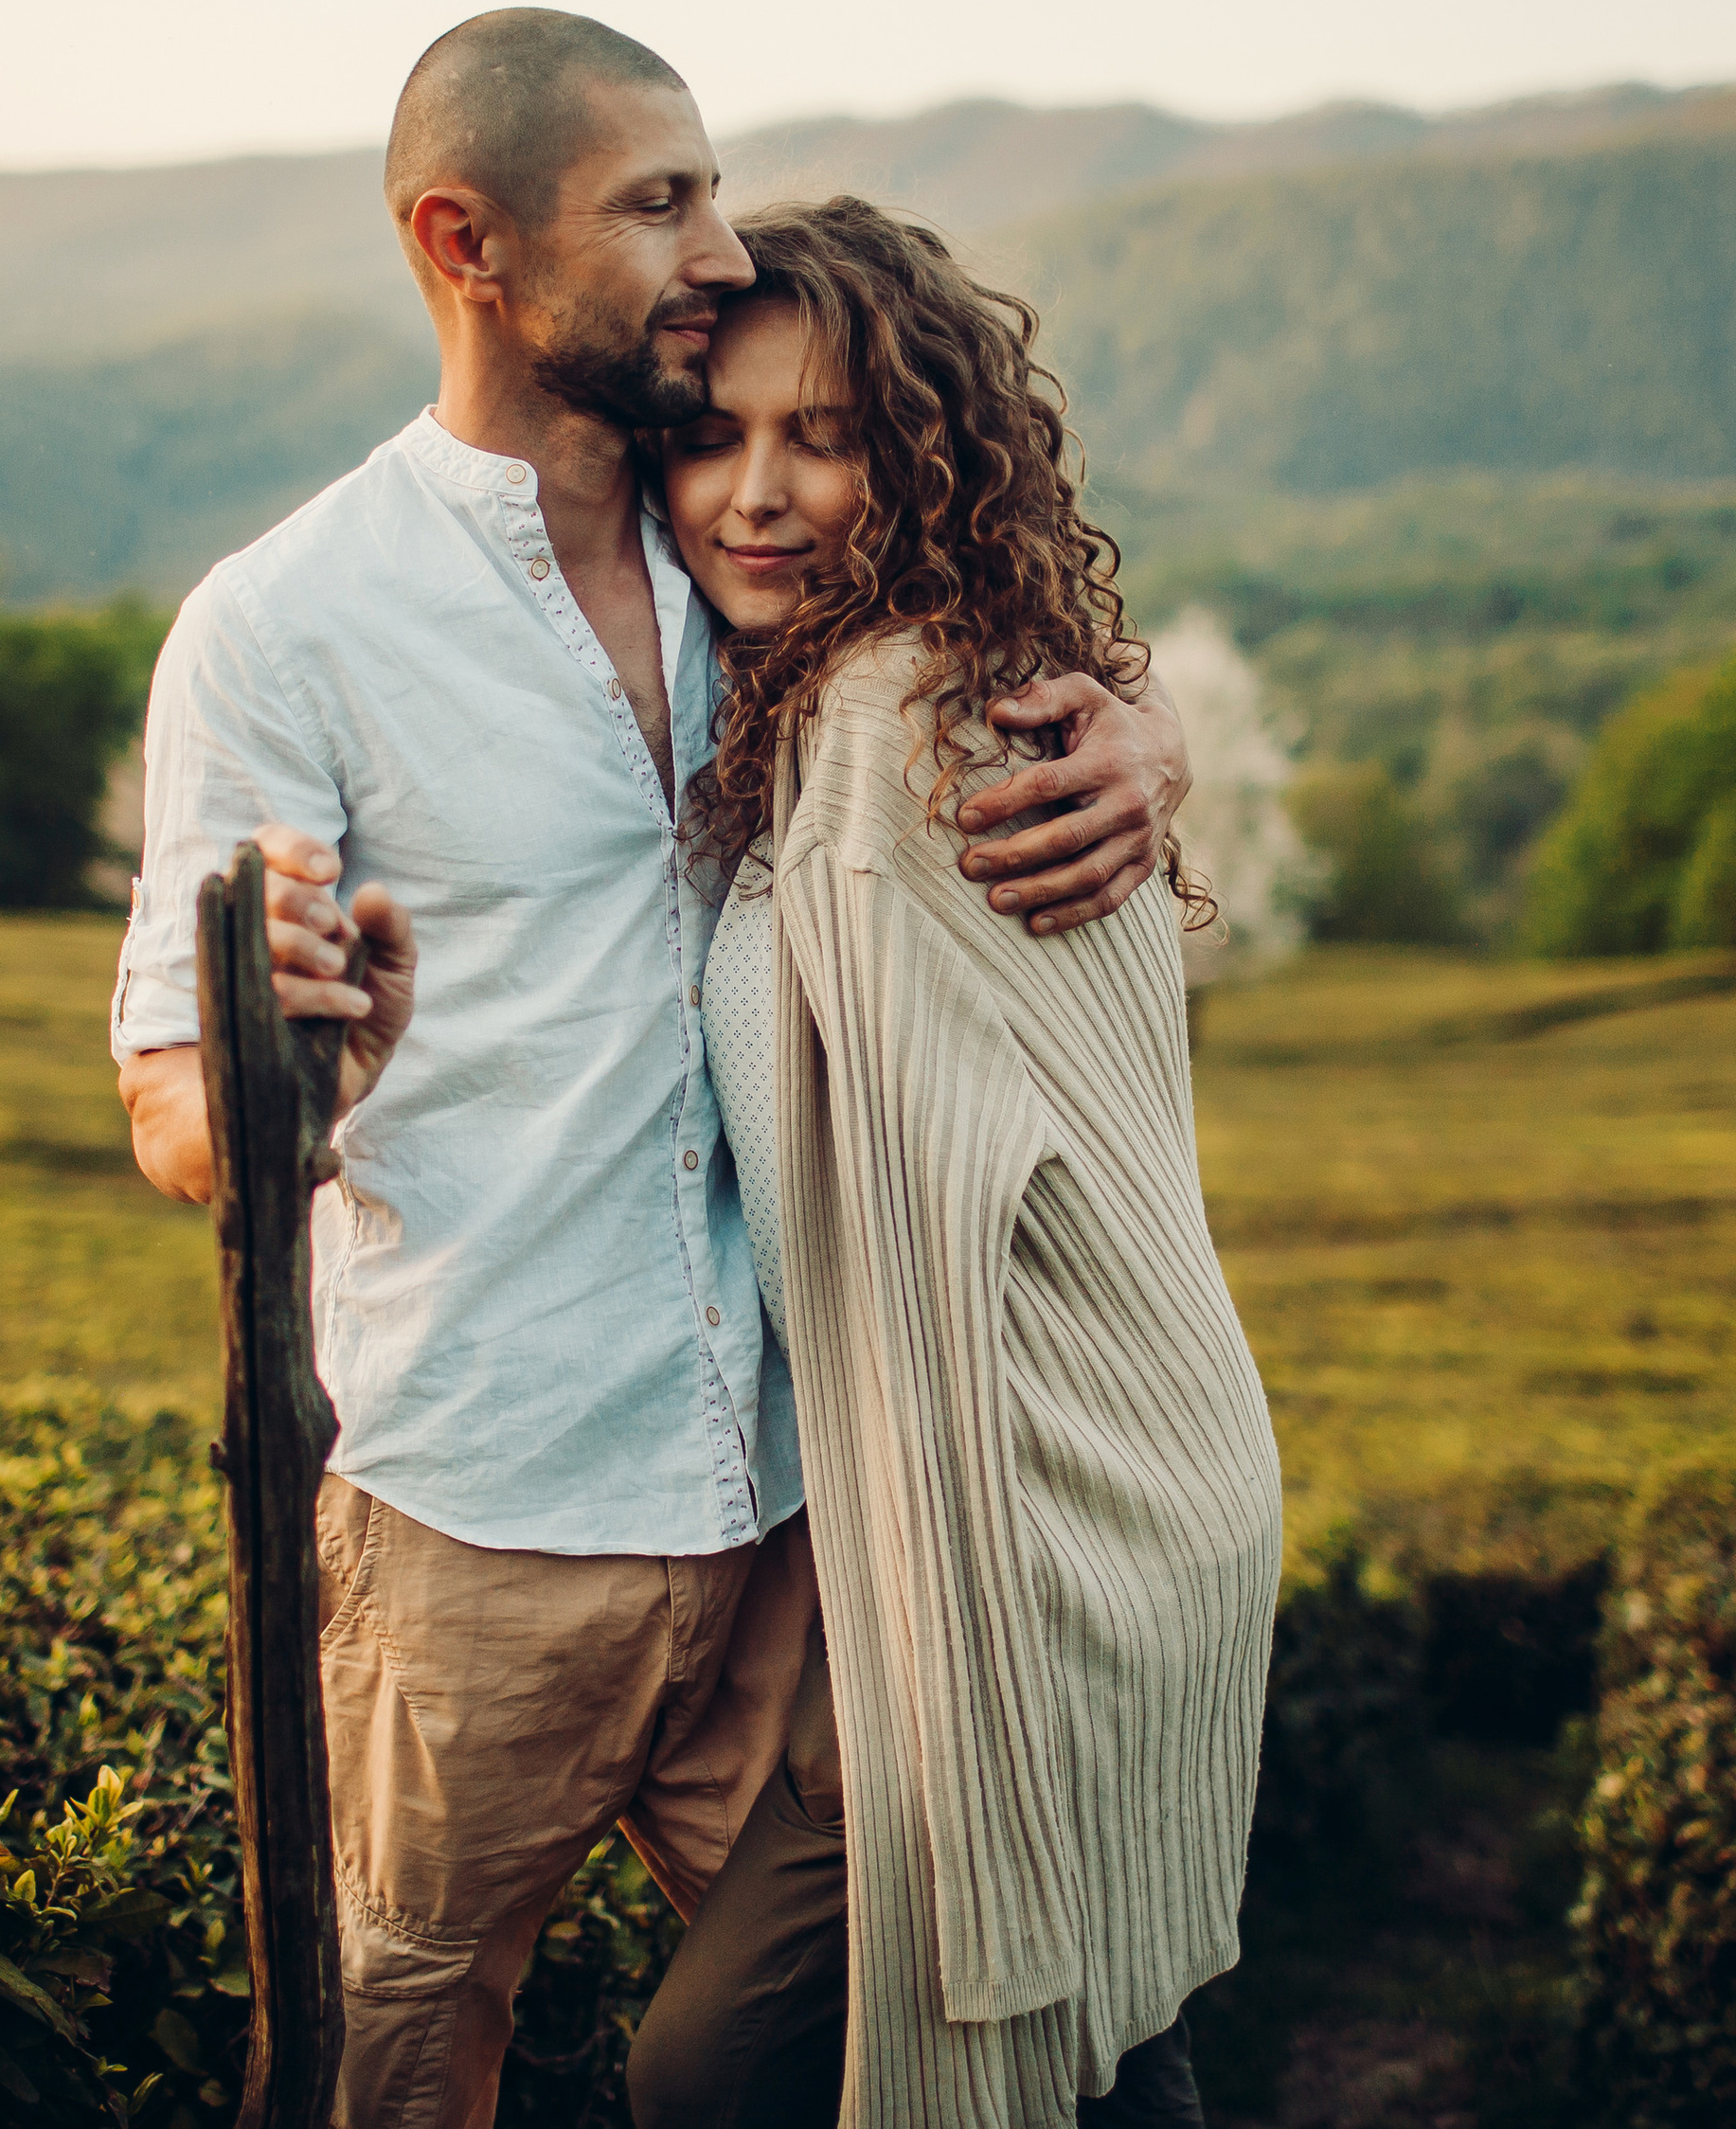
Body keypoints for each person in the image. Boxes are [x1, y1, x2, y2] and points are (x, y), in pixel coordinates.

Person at [112, 9, 1194, 2129]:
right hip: (480, 1522)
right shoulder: (287, 623)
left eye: (709, 184)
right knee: (398, 2057)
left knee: (972, 2009)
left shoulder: (761, 570)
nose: (713, 246)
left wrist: (1145, 740)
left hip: (794, 1504)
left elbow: (989, 665)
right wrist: (286, 1082)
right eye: (657, 201)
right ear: (467, 243)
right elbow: (171, 1094)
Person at [620, 198, 1284, 2129]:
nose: (753, 493)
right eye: (709, 434)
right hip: (1117, 1476)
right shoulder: (929, 685)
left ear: (915, 453)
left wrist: (902, 1647)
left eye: (819, 434)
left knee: (726, 2077)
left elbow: (932, 1240)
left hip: (1032, 1519)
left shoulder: (883, 734)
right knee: (1095, 2037)